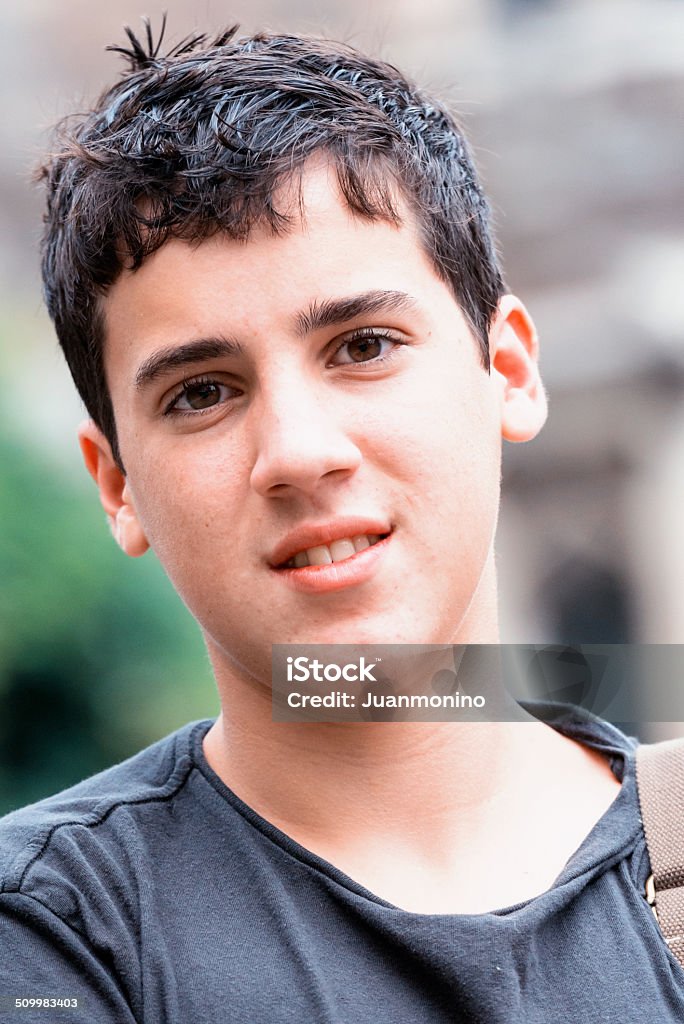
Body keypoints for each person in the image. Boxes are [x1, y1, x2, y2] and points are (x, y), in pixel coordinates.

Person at [0, 22, 681, 1023]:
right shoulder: (54, 936)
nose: (299, 451)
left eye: (363, 344)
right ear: (117, 487)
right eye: (200, 393)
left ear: (509, 371)